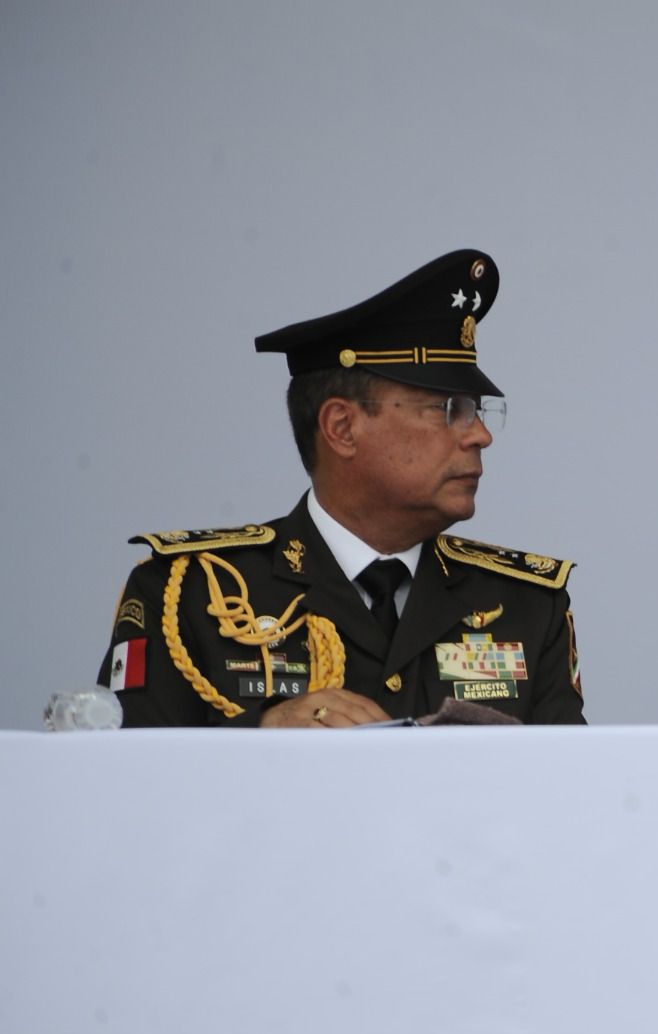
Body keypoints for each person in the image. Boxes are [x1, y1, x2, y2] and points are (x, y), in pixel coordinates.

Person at [97, 250, 585, 728]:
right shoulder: (187, 594)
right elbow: (127, 775)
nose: (480, 434)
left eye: (477, 410)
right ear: (342, 428)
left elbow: (573, 778)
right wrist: (263, 734)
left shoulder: (527, 606)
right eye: (450, 409)